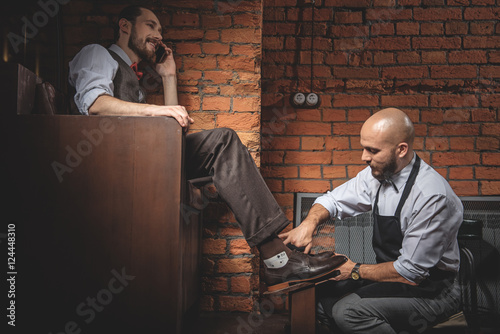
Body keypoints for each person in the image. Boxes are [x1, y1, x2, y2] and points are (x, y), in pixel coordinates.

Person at [67, 5, 346, 292]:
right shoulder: (97, 53)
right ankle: (279, 260)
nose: (158, 35)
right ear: (124, 25)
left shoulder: (135, 77)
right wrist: (154, 111)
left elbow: (174, 131)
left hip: (141, 157)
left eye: (160, 30)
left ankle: (278, 259)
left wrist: (168, 76)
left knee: (223, 144)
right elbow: (94, 104)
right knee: (222, 141)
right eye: (150, 26)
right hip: (112, 163)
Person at [279, 108, 463, 333]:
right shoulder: (377, 175)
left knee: (348, 312)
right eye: (364, 148)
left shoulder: (431, 196)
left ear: (401, 149)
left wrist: (354, 269)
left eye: (372, 150)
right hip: (394, 279)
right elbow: (332, 201)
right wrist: (309, 224)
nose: (364, 157)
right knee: (319, 296)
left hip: (432, 291)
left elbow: (410, 273)